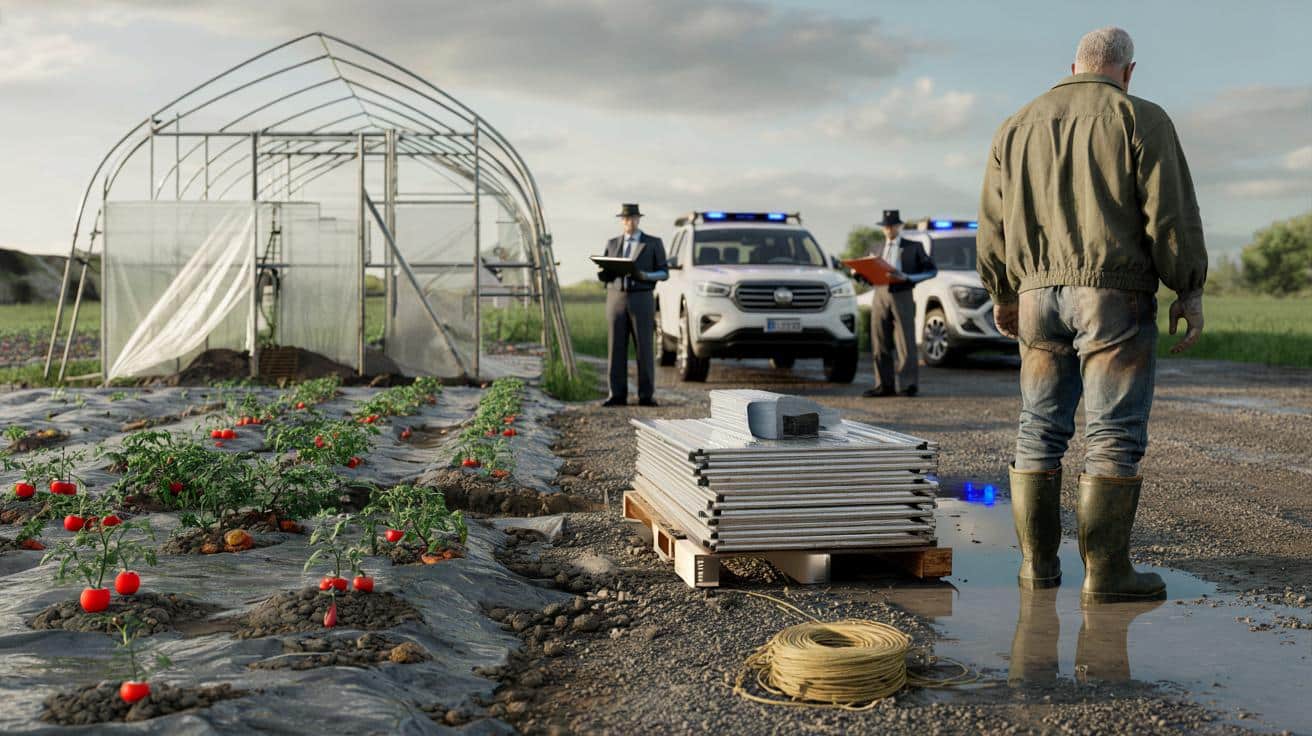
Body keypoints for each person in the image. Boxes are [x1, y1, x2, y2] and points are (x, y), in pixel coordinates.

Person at [977, 27, 1207, 602]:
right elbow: (1170, 214)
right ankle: (1106, 576)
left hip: (1035, 297)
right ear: (1128, 71)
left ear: (1073, 66)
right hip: (1111, 294)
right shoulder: (1140, 118)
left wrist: (1003, 292)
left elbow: (993, 223)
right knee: (1113, 432)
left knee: (1038, 426)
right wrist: (1188, 287)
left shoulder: (1015, 125)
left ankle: (1036, 570)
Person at [597, 203, 668, 407]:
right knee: (615, 348)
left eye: (633, 218)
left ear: (639, 219)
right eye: (626, 219)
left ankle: (646, 395)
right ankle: (616, 394)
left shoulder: (653, 243)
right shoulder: (612, 243)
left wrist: (645, 276)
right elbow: (605, 273)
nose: (630, 222)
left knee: (644, 347)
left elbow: (664, 272)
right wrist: (603, 272)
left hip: (642, 297)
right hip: (616, 298)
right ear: (622, 221)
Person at [863, 209, 936, 398]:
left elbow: (931, 271)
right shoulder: (876, 248)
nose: (889, 229)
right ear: (882, 228)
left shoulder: (913, 247)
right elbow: (867, 275)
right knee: (879, 339)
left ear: (899, 226)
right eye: (886, 226)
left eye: (892, 226)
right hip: (880, 293)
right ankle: (883, 384)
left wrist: (908, 277)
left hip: (902, 292)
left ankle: (908, 384)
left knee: (905, 340)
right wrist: (859, 273)